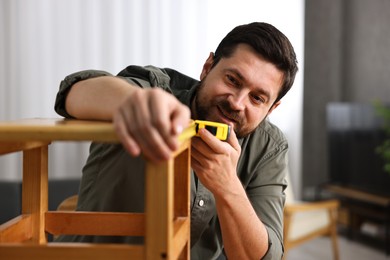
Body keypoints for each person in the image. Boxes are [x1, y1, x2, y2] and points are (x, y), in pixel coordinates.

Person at [54, 22, 298, 259]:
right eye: (232, 80)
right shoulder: (156, 87)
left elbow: (264, 256)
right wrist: (133, 103)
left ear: (271, 109)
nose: (237, 102)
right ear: (208, 66)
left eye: (256, 98)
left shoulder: (269, 146)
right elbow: (73, 93)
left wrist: (227, 187)